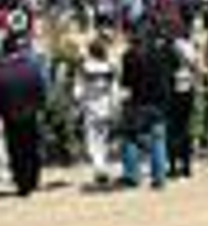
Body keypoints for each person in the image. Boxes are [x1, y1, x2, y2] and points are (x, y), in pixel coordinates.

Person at [0, 35, 47, 197]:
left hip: (10, 116)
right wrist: (40, 106)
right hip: (30, 113)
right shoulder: (31, 67)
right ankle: (33, 178)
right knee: (31, 146)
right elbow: (39, 88)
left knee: (16, 149)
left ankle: (21, 182)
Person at [120, 26, 173, 189]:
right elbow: (167, 78)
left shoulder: (129, 56)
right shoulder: (159, 54)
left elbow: (126, 82)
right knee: (158, 139)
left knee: (130, 138)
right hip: (157, 102)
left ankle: (132, 176)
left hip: (137, 102)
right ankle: (159, 177)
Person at [75, 37, 120, 184]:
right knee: (104, 138)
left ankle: (98, 167)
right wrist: (115, 105)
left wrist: (79, 103)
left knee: (92, 140)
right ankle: (103, 166)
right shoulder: (110, 68)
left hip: (90, 106)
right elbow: (114, 89)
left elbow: (78, 90)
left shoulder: (84, 68)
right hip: (105, 106)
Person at [168, 33, 198, 179]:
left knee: (173, 131)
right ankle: (186, 166)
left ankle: (174, 166)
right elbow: (195, 67)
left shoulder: (169, 57)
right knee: (185, 130)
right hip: (187, 93)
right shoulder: (188, 48)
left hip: (174, 95)